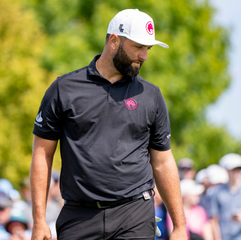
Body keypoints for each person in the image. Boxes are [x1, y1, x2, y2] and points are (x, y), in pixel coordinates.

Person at [30, 8, 187, 240]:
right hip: (78, 216)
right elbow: (42, 153)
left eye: (148, 48)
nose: (144, 56)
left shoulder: (151, 95)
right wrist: (39, 220)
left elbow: (163, 162)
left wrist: (180, 226)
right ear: (114, 40)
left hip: (134, 214)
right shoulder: (64, 88)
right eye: (138, 47)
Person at [210, 153, 241, 240]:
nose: (237, 172)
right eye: (233, 169)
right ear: (226, 170)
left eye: (239, 169)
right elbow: (214, 221)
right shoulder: (217, 192)